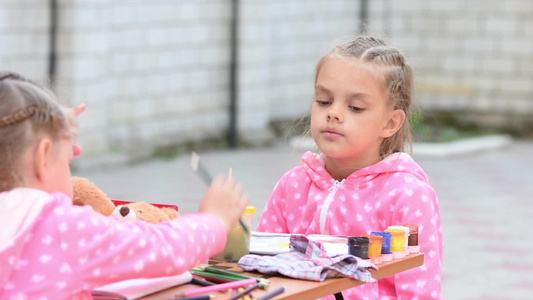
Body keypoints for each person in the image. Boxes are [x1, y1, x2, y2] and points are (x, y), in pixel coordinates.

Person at [0, 71, 250, 299]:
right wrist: (214, 219)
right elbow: (162, 249)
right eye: (68, 161)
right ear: (43, 157)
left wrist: (57, 139)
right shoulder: (62, 227)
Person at [256, 36, 443, 299]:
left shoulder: (407, 195)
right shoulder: (293, 185)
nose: (333, 113)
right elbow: (264, 268)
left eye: (355, 107)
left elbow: (420, 291)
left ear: (390, 123)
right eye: (323, 101)